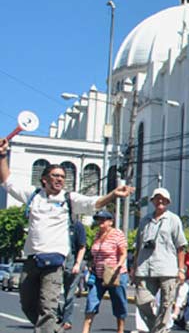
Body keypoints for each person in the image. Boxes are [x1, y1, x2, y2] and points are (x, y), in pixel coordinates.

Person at [0, 138, 135, 333]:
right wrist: (3, 155)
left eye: (62, 176)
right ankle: (55, 329)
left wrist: (113, 194)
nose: (60, 179)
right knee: (28, 304)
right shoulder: (34, 196)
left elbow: (93, 203)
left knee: (48, 307)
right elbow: (7, 182)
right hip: (31, 261)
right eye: (55, 175)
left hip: (54, 263)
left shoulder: (69, 199)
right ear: (44, 179)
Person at [131, 187, 189, 333]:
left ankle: (160, 330)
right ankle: (155, 328)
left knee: (166, 305)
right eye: (157, 198)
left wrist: (181, 270)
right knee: (141, 300)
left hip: (167, 269)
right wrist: (134, 267)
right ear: (152, 201)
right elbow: (138, 246)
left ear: (168, 201)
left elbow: (181, 246)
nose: (160, 201)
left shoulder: (173, 220)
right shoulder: (145, 220)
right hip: (145, 268)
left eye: (163, 198)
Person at [82, 210, 128, 333]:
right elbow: (95, 253)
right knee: (91, 302)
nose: (101, 222)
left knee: (119, 302)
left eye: (104, 219)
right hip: (98, 274)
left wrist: (118, 265)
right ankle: (85, 330)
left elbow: (123, 252)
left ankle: (120, 329)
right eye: (99, 219)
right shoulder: (97, 235)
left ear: (110, 221)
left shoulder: (117, 234)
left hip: (114, 275)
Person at [60, 212, 86, 331]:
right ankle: (58, 315)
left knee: (69, 294)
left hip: (72, 263)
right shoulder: (56, 225)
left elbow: (82, 246)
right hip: (57, 262)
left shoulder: (77, 226)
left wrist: (77, 264)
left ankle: (67, 320)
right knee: (50, 294)